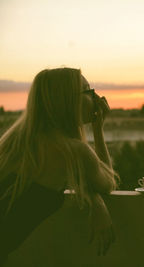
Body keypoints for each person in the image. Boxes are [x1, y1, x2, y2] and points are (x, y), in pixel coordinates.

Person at [0, 68, 119, 265]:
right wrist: (98, 129)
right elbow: (106, 182)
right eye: (88, 91)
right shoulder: (74, 151)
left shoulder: (17, 144)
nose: (96, 97)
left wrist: (93, 198)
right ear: (68, 101)